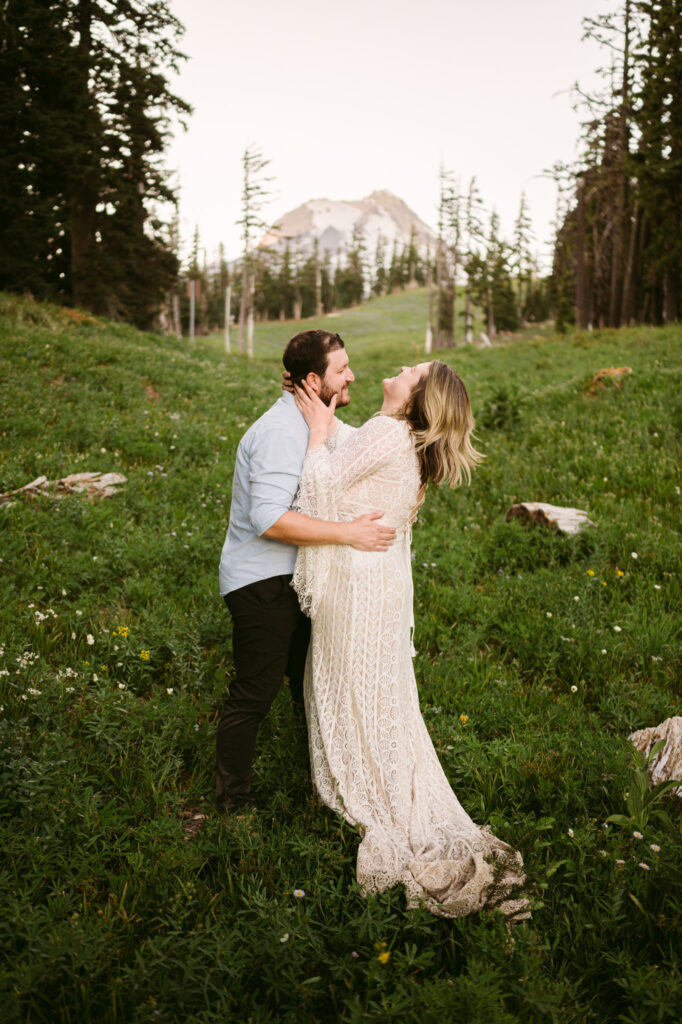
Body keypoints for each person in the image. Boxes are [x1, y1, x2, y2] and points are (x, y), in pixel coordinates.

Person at [291, 360, 529, 920]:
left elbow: (314, 489)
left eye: (410, 370)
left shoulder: (385, 430)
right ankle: (391, 782)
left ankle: (373, 796)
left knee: (348, 688)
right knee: (382, 697)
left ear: (416, 396)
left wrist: (319, 437)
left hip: (357, 584)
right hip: (385, 587)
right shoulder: (409, 446)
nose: (398, 368)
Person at [216, 329, 396, 816]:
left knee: (310, 686)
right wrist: (348, 533)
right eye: (342, 369)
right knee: (256, 691)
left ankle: (325, 790)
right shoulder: (279, 432)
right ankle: (235, 804)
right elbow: (270, 520)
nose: (352, 375)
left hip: (300, 578)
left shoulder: (316, 423)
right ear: (315, 379)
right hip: (261, 581)